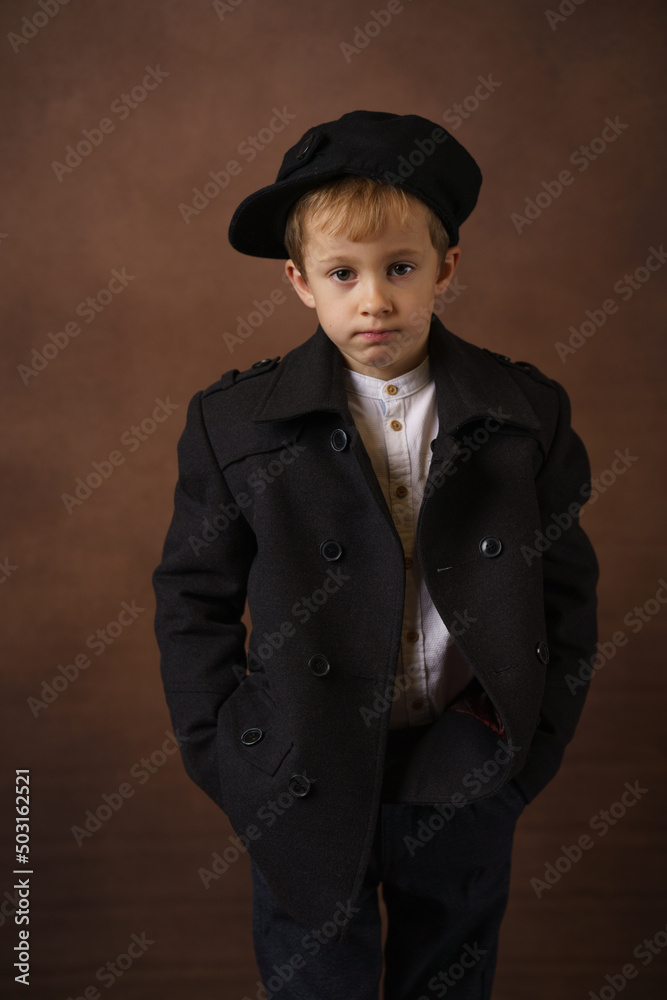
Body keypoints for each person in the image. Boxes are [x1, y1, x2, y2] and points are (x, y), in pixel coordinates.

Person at [152, 110, 599, 999]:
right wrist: (228, 755)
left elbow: (566, 594)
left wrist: (524, 754)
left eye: (400, 269)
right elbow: (191, 599)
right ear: (299, 282)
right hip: (298, 779)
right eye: (343, 274)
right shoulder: (234, 424)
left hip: (463, 768)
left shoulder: (524, 414)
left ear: (446, 268)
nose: (375, 300)